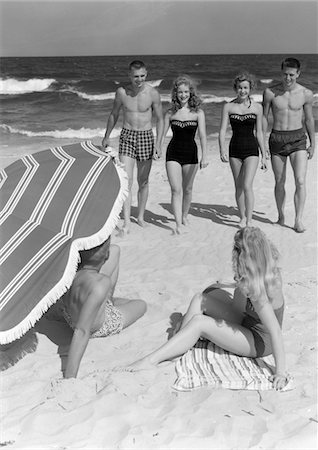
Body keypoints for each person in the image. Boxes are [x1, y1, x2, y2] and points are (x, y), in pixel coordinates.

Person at [128, 227, 290, 391]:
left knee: (200, 323)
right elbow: (239, 307)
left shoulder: (261, 290)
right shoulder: (261, 268)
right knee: (201, 298)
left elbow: (275, 330)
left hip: (259, 342)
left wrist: (281, 372)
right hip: (248, 321)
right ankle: (177, 344)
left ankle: (151, 360)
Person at [60, 237, 146, 378]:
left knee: (116, 249)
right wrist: (70, 377)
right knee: (141, 305)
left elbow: (111, 250)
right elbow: (82, 331)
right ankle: (108, 303)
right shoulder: (101, 282)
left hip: (70, 314)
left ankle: (107, 302)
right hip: (96, 327)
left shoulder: (70, 269)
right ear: (106, 256)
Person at [101, 60, 164, 234]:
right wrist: (106, 136)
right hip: (127, 136)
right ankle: (127, 220)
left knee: (143, 181)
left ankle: (141, 217)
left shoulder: (153, 93)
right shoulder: (122, 92)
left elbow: (160, 119)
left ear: (146, 74)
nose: (139, 79)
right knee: (126, 180)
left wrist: (159, 143)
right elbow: (114, 114)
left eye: (142, 76)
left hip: (146, 137)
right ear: (129, 76)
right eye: (136, 76)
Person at [262, 57, 315, 233]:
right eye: (285, 74)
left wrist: (313, 143)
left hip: (298, 139)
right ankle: (280, 216)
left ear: (298, 73)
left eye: (292, 75)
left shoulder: (306, 94)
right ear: (281, 72)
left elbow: (309, 119)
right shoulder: (270, 92)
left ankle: (298, 220)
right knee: (279, 181)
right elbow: (263, 118)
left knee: (300, 180)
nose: (288, 78)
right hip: (277, 139)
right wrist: (261, 141)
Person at [160, 75, 208, 234]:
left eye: (186, 91)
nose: (183, 95)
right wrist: (158, 147)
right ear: (175, 93)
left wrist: (205, 156)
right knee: (175, 189)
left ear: (191, 93)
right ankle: (178, 224)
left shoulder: (198, 113)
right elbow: (162, 133)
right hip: (173, 153)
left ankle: (184, 215)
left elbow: (202, 135)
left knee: (187, 189)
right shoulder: (170, 113)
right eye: (180, 92)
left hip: (191, 154)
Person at [219, 72, 267, 228]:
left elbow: (259, 132)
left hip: (252, 150)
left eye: (245, 87)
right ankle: (241, 217)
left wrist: (264, 155)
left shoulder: (257, 108)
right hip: (235, 150)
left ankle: (250, 219)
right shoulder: (228, 106)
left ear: (250, 88)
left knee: (247, 185)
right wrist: (221, 150)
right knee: (238, 185)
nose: (242, 91)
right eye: (240, 87)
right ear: (235, 88)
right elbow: (222, 131)